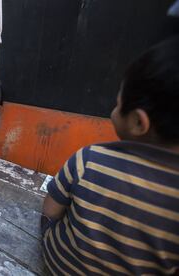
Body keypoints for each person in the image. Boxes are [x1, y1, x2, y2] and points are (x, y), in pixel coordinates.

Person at [41, 37, 179, 275]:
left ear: (138, 122)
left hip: (57, 267)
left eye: (117, 103)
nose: (113, 109)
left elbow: (50, 210)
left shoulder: (89, 159)